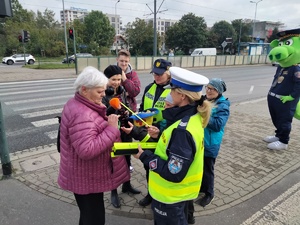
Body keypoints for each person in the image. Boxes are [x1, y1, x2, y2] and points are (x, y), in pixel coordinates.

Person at [133, 66, 212, 225]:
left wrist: (143, 156)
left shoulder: (182, 130)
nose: (168, 94)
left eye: (171, 91)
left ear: (181, 96)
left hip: (170, 197)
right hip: (179, 195)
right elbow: (174, 148)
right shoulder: (192, 116)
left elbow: (173, 172)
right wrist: (159, 136)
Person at [57, 66, 130, 225]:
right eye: (99, 92)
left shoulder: (77, 103)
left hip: (84, 175)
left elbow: (90, 129)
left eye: (104, 90)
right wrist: (111, 129)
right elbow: (87, 150)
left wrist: (108, 114)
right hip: (85, 177)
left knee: (89, 216)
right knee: (94, 219)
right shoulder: (81, 113)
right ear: (84, 90)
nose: (104, 94)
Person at [102, 65, 141, 209]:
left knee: (127, 157)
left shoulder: (122, 90)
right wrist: (112, 109)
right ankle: (113, 191)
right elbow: (101, 114)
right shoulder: (102, 93)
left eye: (119, 79)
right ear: (106, 79)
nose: (117, 82)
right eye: (113, 79)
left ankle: (127, 184)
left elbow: (125, 105)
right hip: (111, 131)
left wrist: (126, 114)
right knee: (114, 160)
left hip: (124, 129)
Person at [138, 58, 172, 207]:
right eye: (154, 74)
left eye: (160, 74)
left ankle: (160, 197)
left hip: (163, 136)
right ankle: (151, 194)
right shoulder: (149, 88)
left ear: (168, 73)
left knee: (161, 167)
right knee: (148, 165)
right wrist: (139, 117)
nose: (156, 77)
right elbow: (141, 107)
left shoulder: (174, 91)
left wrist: (160, 128)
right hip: (147, 135)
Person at [195, 78, 230, 208]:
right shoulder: (204, 99)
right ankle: (201, 188)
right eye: (207, 88)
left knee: (208, 168)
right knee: (200, 166)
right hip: (199, 140)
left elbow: (217, 125)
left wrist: (203, 114)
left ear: (218, 91)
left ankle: (210, 193)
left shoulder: (223, 105)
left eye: (212, 89)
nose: (208, 91)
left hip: (210, 143)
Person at [264, 28, 300, 150]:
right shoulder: (281, 67)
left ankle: (284, 141)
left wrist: (292, 97)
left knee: (284, 120)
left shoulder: (296, 69)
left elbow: (298, 85)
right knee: (276, 119)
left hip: (286, 100)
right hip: (274, 98)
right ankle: (278, 135)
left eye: (287, 43)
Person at [116, 49, 141, 172]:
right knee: (115, 144)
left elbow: (135, 91)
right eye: (121, 61)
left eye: (126, 61)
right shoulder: (111, 72)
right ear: (117, 60)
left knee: (128, 143)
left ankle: (127, 170)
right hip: (115, 114)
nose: (123, 64)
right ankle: (116, 172)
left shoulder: (133, 75)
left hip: (129, 114)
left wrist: (125, 79)